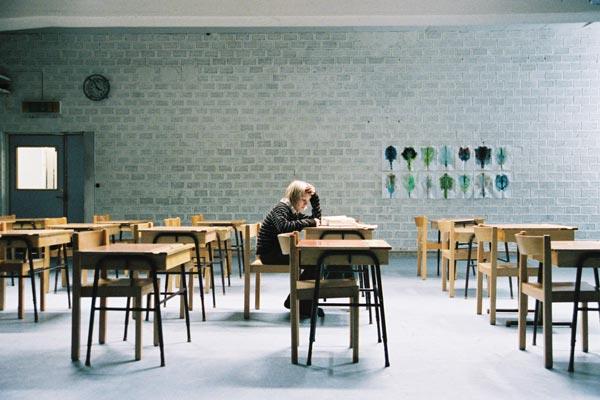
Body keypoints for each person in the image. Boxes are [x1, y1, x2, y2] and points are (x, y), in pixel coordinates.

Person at [256, 180, 324, 317]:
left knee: (315, 260)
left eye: (307, 202)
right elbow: (283, 226)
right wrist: (309, 221)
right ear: (295, 197)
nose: (305, 205)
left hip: (280, 251)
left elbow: (316, 220)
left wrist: (314, 198)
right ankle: (300, 304)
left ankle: (297, 302)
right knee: (315, 261)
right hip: (270, 254)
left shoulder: (292, 210)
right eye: (304, 201)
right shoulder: (281, 208)